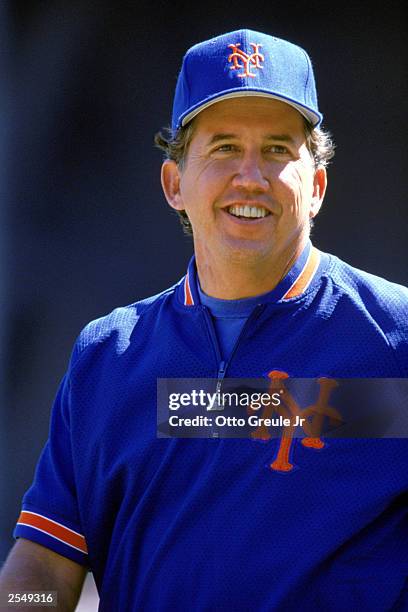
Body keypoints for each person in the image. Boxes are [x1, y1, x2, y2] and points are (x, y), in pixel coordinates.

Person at [1, 28, 407, 611]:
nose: (250, 177)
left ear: (316, 185)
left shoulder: (393, 341)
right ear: (174, 183)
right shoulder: (109, 358)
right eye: (223, 148)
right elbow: (45, 561)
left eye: (276, 149)